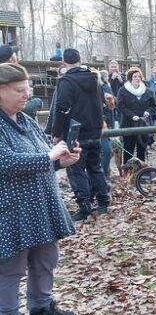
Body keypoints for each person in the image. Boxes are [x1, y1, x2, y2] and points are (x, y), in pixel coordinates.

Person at [0, 63, 81, 315]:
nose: (26, 94)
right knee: (11, 267)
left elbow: (42, 158)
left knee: (46, 259)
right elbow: (7, 163)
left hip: (40, 205)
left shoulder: (26, 120)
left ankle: (41, 308)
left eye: (27, 89)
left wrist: (61, 160)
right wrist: (49, 156)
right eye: (19, 90)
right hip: (10, 209)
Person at [51, 48, 111, 220]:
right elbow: (100, 104)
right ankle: (102, 202)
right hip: (95, 130)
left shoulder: (66, 81)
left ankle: (85, 205)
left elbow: (61, 108)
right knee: (95, 167)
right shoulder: (94, 79)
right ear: (80, 59)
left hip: (76, 132)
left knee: (76, 169)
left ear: (64, 62)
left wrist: (57, 133)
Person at [118, 67, 156, 163]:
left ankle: (142, 172)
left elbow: (153, 106)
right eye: (135, 76)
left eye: (139, 76)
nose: (137, 78)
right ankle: (127, 171)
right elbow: (120, 106)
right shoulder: (123, 90)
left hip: (143, 123)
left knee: (142, 148)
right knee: (128, 149)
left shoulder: (148, 91)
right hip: (128, 123)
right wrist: (131, 115)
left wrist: (148, 111)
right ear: (130, 78)